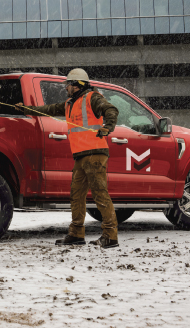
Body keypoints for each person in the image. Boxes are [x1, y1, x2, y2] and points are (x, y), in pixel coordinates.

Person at [16, 69, 120, 248]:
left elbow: (111, 109)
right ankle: (77, 234)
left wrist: (108, 127)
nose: (66, 88)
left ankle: (110, 236)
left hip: (95, 153)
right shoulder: (69, 104)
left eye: (69, 85)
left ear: (78, 85)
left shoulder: (92, 98)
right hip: (81, 156)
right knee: (76, 195)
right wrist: (27, 109)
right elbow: (48, 109)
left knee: (100, 194)